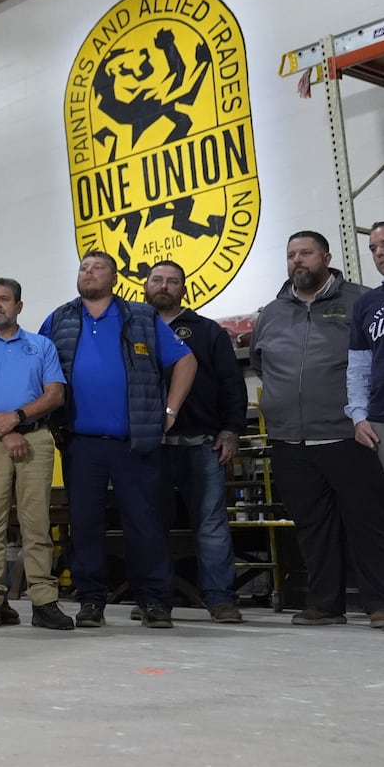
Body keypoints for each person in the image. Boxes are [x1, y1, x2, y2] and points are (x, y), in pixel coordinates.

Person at [41, 251, 196, 629]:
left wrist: (170, 411)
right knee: (86, 525)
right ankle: (91, 601)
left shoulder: (141, 317)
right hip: (80, 441)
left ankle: (155, 601)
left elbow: (185, 360)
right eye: (83, 268)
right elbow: (37, 367)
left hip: (135, 439)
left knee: (144, 523)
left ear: (114, 279)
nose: (89, 273)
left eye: (98, 268)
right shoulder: (59, 319)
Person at [255, 231, 384, 627]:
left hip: (348, 433)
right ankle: (324, 603)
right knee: (312, 526)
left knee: (369, 521)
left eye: (306, 253)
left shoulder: (360, 299)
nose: (297, 261)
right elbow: (259, 363)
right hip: (289, 439)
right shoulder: (270, 312)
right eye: (290, 255)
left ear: (327, 257)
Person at [0, 278, 73, 631]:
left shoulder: (41, 346)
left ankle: (44, 601)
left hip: (35, 438)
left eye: (3, 300)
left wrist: (17, 420)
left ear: (19, 306)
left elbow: (54, 395)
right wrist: (3, 431)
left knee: (37, 524)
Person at [144, 260, 249, 623]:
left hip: (202, 443)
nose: (164, 286)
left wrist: (232, 430)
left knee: (211, 524)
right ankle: (153, 600)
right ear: (145, 285)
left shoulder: (207, 332)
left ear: (183, 290)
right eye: (157, 279)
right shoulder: (133, 330)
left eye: (173, 281)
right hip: (150, 447)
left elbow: (232, 384)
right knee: (149, 524)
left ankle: (220, 599)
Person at [350, 222, 384, 628]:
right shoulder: (368, 304)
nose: (379, 252)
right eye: (372, 247)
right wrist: (359, 414)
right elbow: (359, 367)